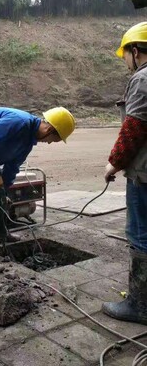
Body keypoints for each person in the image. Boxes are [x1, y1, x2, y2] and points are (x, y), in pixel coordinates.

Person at [0, 106, 76, 272]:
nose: (50, 142)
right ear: (49, 129)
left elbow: (12, 168)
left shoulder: (27, 142)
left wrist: (4, 191)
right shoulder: (19, 122)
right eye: (54, 139)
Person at [102, 21, 147, 325]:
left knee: (141, 235)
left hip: (144, 175)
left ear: (134, 50)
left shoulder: (142, 79)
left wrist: (113, 163)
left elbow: (134, 129)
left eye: (127, 55)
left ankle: (140, 305)